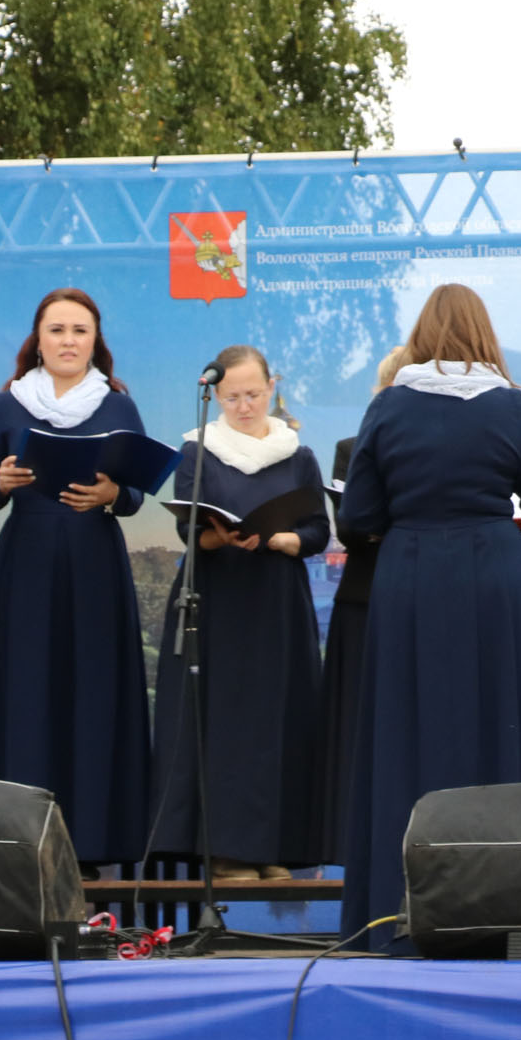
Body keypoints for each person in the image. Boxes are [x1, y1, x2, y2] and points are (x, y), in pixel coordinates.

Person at [337, 284, 521, 949]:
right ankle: (507, 914)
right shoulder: (510, 405)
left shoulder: (390, 405)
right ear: (483, 333)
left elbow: (356, 517)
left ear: (422, 335)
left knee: (408, 733)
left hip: (412, 575)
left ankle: (397, 913)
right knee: (499, 731)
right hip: (493, 575)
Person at [0, 288, 153, 872]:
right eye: (57, 330)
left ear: (95, 341)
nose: (69, 341)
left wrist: (113, 492)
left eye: (80, 330)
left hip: (95, 563)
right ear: (38, 340)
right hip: (27, 564)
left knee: (92, 693)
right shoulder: (7, 406)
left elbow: (136, 494)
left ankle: (91, 842)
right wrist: (2, 483)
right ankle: (22, 843)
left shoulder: (118, 406)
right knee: (27, 692)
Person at [149, 344, 330, 882]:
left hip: (276, 600)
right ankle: (226, 849)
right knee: (225, 720)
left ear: (271, 388)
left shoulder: (296, 454)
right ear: (216, 395)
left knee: (274, 719)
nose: (244, 406)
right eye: (232, 397)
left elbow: (318, 529)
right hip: (218, 599)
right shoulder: (198, 451)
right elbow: (188, 527)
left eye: (253, 394)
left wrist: (287, 538)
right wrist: (217, 535)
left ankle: (273, 845)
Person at [317, 344, 408, 864]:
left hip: (418, 597)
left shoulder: (442, 449)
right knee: (361, 729)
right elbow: (352, 527)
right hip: (365, 600)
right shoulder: (351, 448)